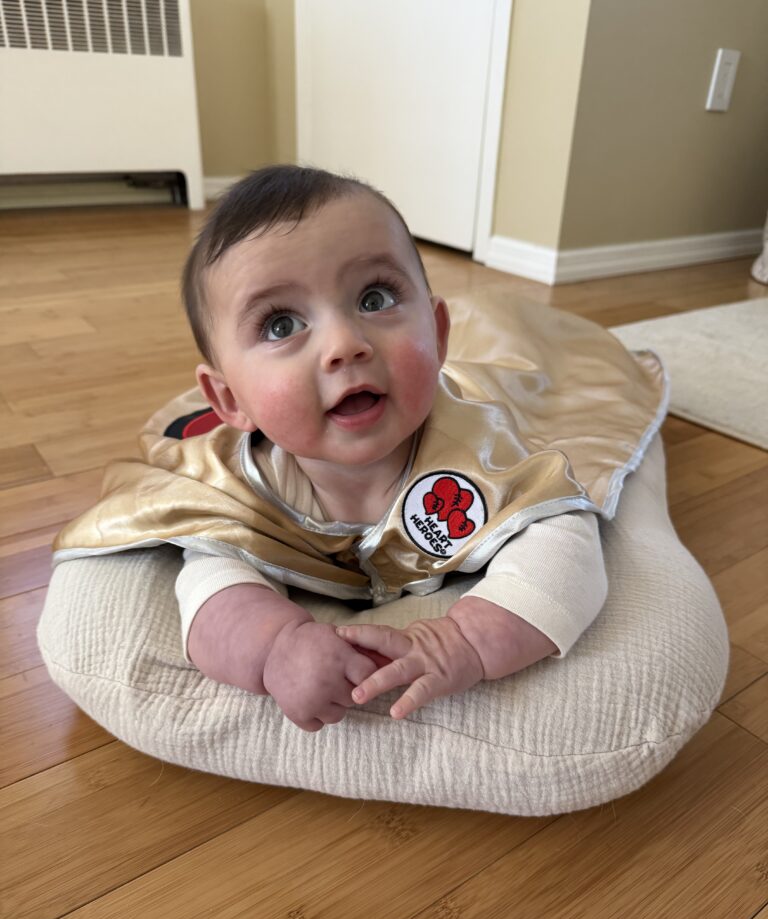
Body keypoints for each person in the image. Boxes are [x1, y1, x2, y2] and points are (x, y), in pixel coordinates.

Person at [52, 165, 666, 732]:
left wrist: (464, 640)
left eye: (375, 298)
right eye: (281, 324)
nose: (345, 343)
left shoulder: (483, 451)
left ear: (438, 334)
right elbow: (211, 579)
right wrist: (274, 647)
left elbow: (562, 540)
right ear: (230, 400)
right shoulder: (237, 490)